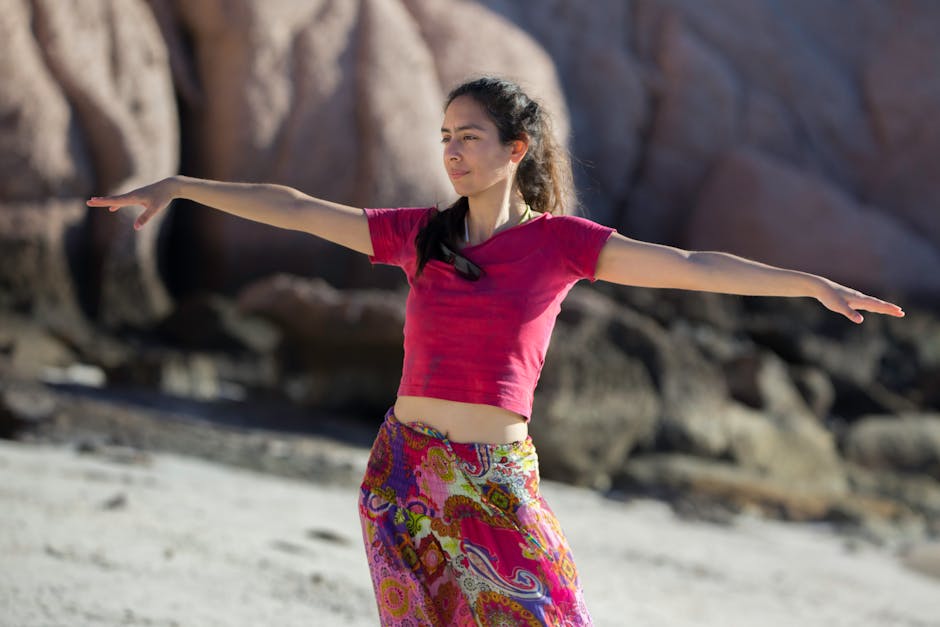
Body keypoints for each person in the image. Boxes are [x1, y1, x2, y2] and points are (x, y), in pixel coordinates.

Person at [88, 76, 904, 626]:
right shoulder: (419, 236)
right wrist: (184, 185)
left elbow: (691, 267)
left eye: (470, 136)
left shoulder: (560, 245)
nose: (452, 150)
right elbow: (299, 208)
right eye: (445, 135)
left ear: (516, 149)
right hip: (401, 474)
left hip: (496, 480)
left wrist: (809, 285)